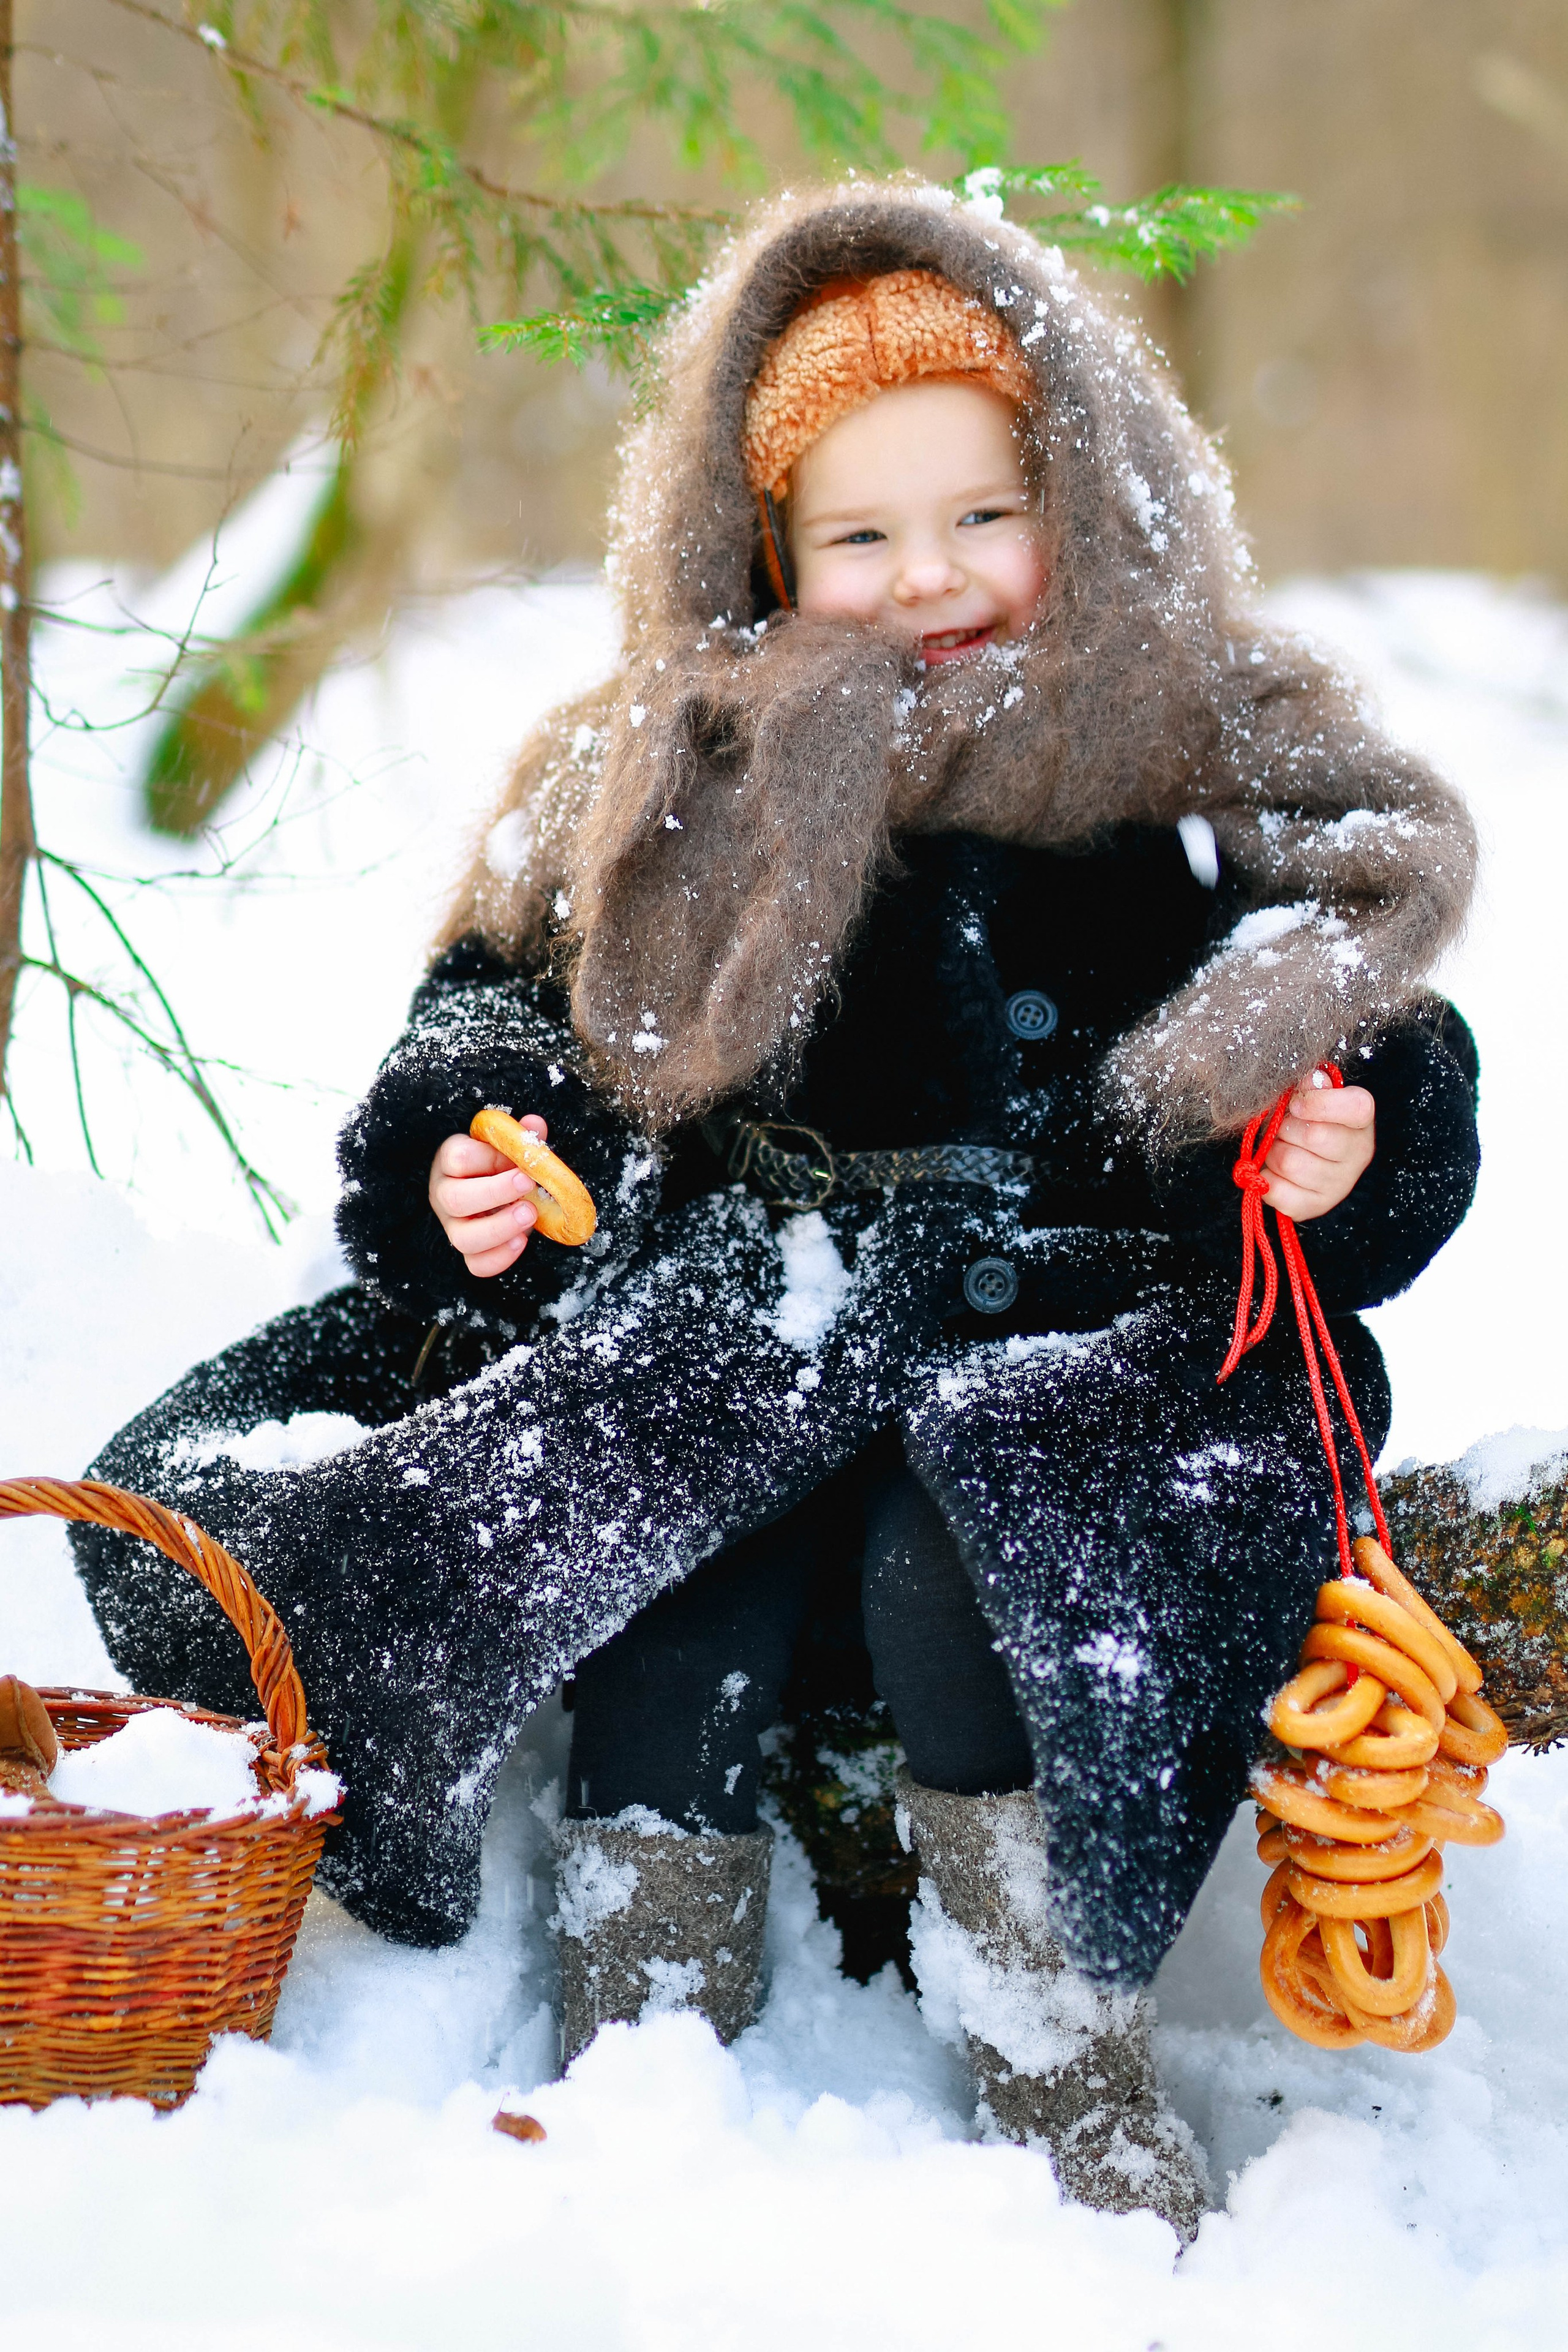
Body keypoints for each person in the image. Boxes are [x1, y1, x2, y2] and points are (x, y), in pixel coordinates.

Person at [72, 185, 1480, 2238]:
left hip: (1084, 1331)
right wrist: (484, 1141)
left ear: (1084, 488)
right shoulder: (668, 764)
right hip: (763, 1310)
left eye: (987, 513)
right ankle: (647, 2032)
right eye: (860, 537)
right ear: (761, 552)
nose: (933, 579)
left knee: (977, 1571)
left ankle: (1052, 2037)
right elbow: (503, 1005)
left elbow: (1352, 989)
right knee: (663, 1564)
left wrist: (1343, 1129)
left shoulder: (1199, 745)